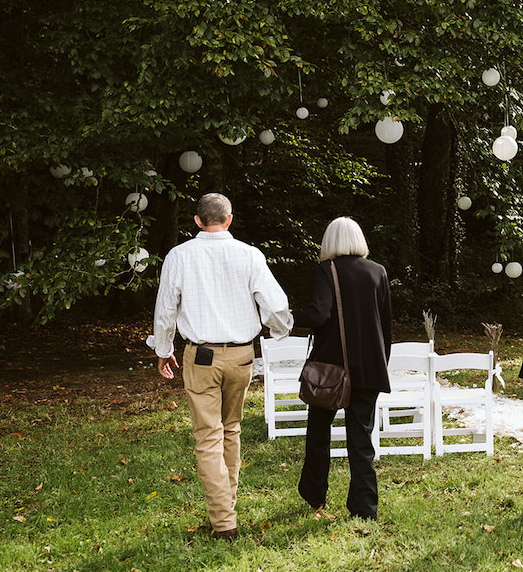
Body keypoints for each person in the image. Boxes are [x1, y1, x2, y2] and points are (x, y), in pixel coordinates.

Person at [153, 193, 293, 542]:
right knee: (231, 430)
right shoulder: (250, 255)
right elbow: (276, 306)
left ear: (198, 221)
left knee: (209, 437)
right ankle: (226, 509)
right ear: (229, 219)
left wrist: (163, 348)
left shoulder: (179, 256)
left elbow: (166, 309)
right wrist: (279, 332)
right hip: (242, 356)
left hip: (201, 357)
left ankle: (223, 522)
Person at [291, 217, 392, 521]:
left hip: (330, 372)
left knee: (318, 434)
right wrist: (380, 363)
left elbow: (319, 315)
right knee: (362, 441)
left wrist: (289, 317)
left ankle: (315, 495)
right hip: (370, 371)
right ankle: (364, 509)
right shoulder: (378, 272)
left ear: (329, 241)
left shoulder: (327, 270)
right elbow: (385, 326)